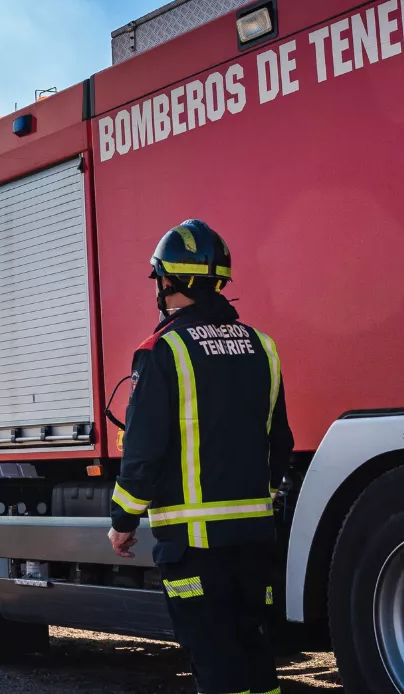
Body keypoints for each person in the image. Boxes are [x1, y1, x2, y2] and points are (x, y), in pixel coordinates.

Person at [108, 219, 292, 694]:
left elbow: (144, 451)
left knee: (214, 659)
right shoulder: (262, 347)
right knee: (254, 649)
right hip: (255, 536)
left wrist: (123, 521)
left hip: (194, 545)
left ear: (168, 281)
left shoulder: (163, 351)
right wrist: (260, 500)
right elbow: (281, 443)